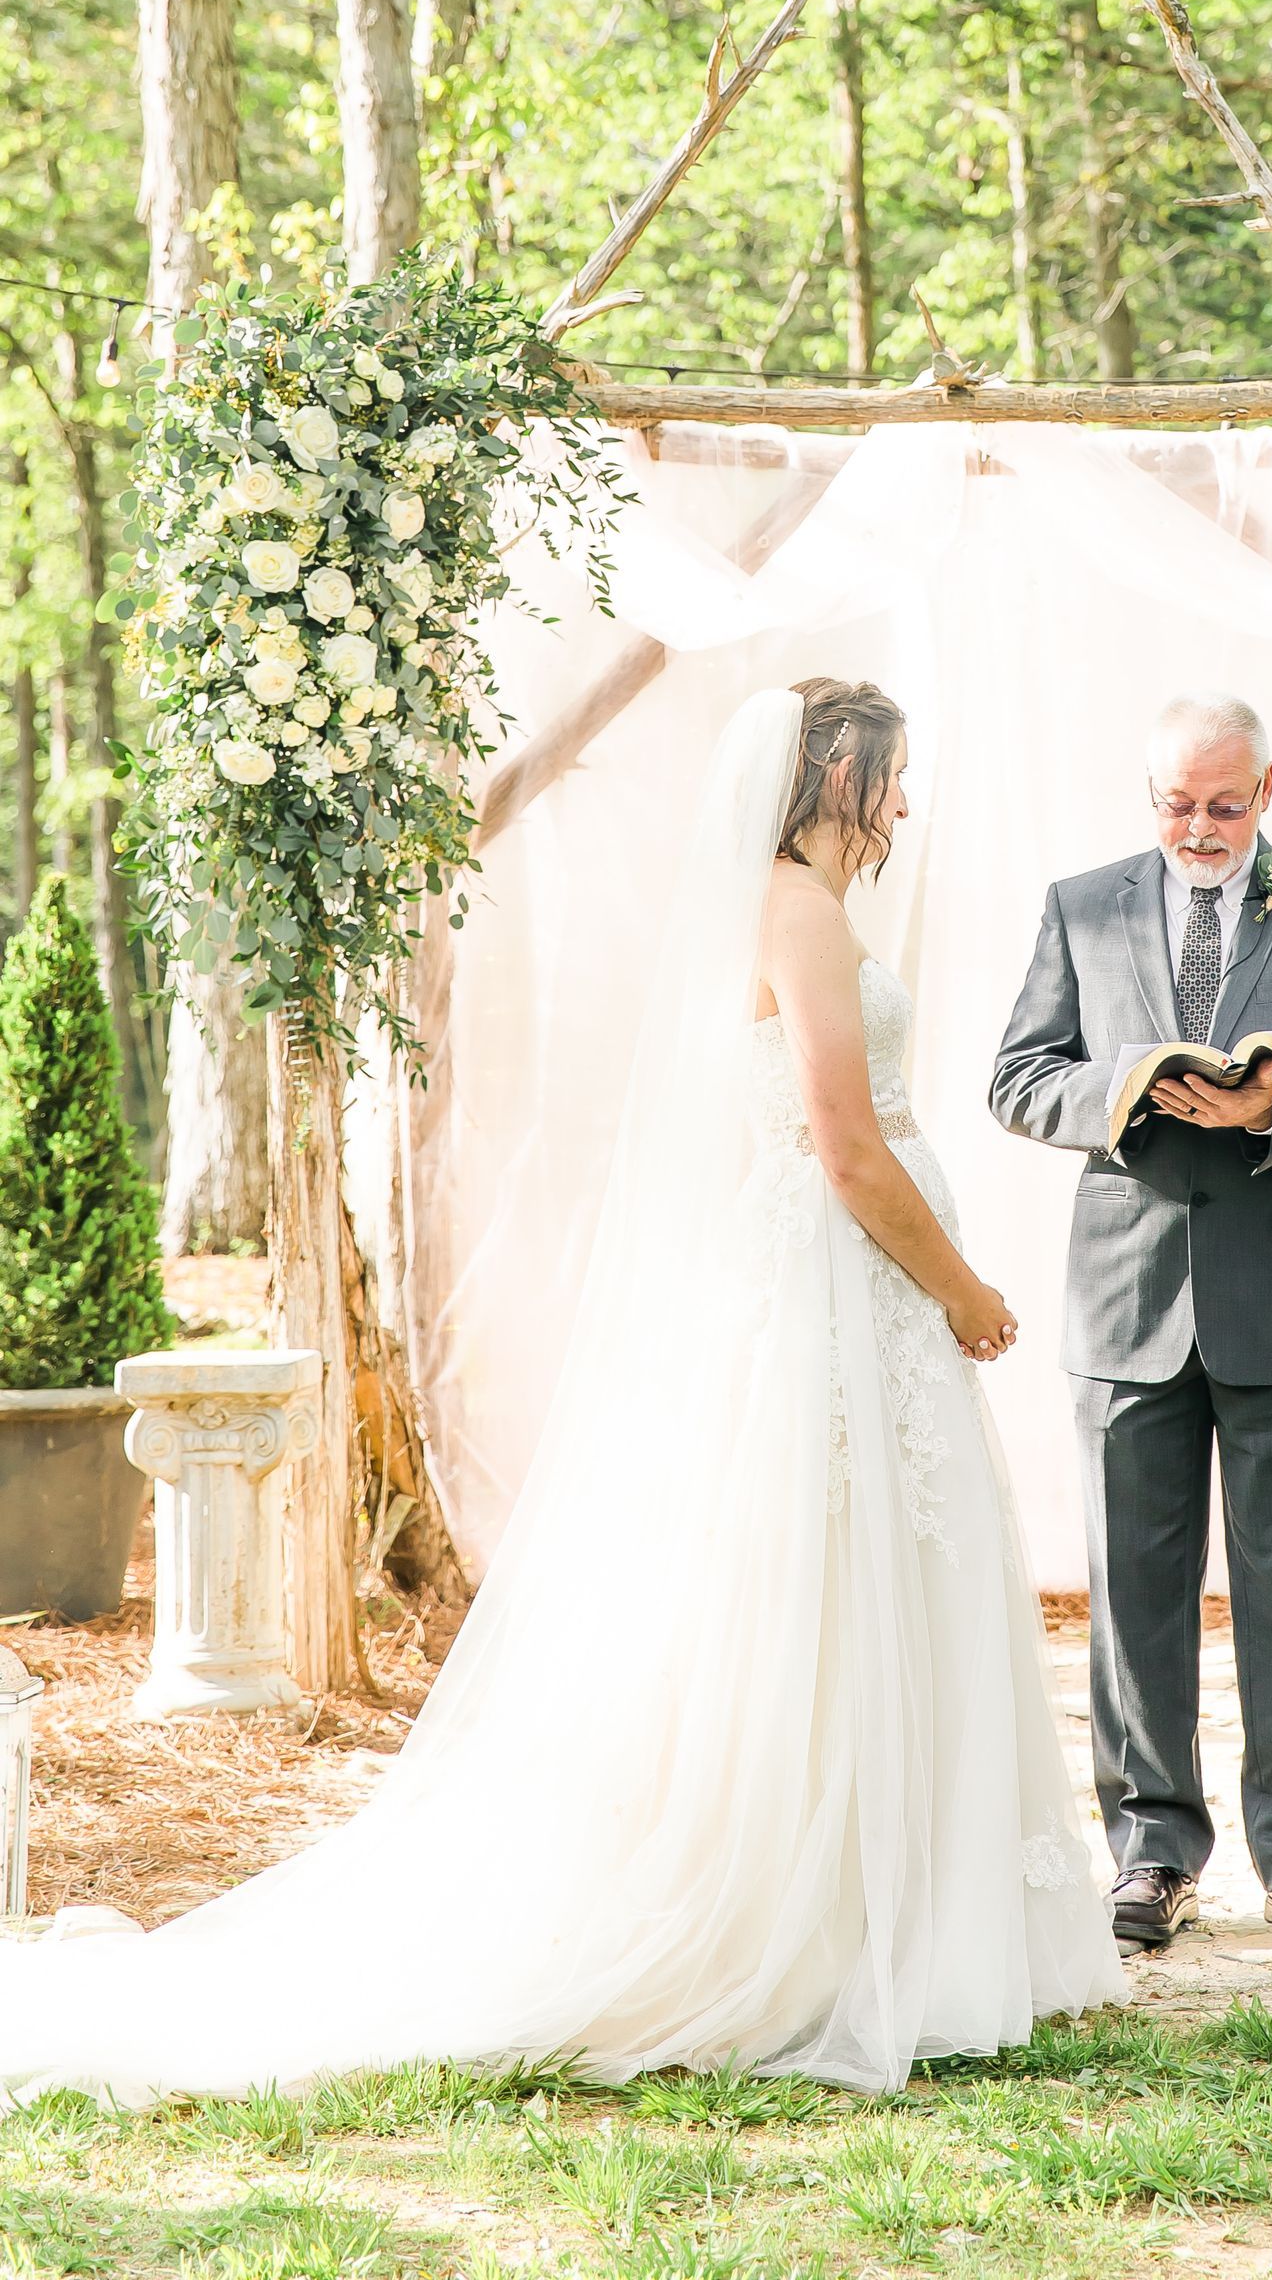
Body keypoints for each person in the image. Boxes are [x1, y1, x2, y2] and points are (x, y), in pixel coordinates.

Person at [0, 681, 1120, 2106]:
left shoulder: (787, 908)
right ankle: (833, 1927)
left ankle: (885, 1919)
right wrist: (962, 1287)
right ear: (839, 780)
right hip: (850, 1289)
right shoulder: (798, 913)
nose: (906, 801)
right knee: (833, 1589)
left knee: (861, 1586)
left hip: (846, 1300)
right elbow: (843, 1146)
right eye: (891, 777)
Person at [991, 693, 1272, 1960]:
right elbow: (1019, 1076)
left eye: (1225, 804)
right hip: (1125, 1299)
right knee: (1132, 1592)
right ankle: (1152, 1854)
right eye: (1178, 804)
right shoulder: (1082, 905)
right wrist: (1123, 1093)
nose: (1199, 827)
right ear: (1151, 798)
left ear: (1267, 793)